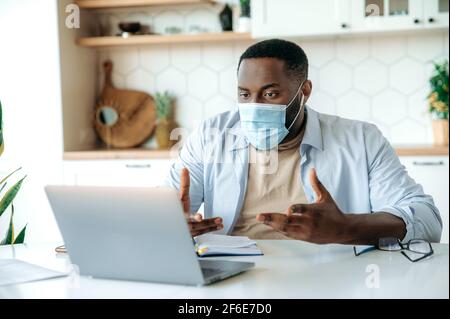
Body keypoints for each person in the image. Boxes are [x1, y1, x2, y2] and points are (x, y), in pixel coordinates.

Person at [165, 39, 442, 245]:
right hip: (231, 276)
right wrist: (170, 224)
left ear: (304, 91)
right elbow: (163, 210)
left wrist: (346, 228)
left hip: (328, 278)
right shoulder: (210, 136)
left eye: (271, 94)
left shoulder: (361, 140)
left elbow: (427, 220)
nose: (253, 106)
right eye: (245, 95)